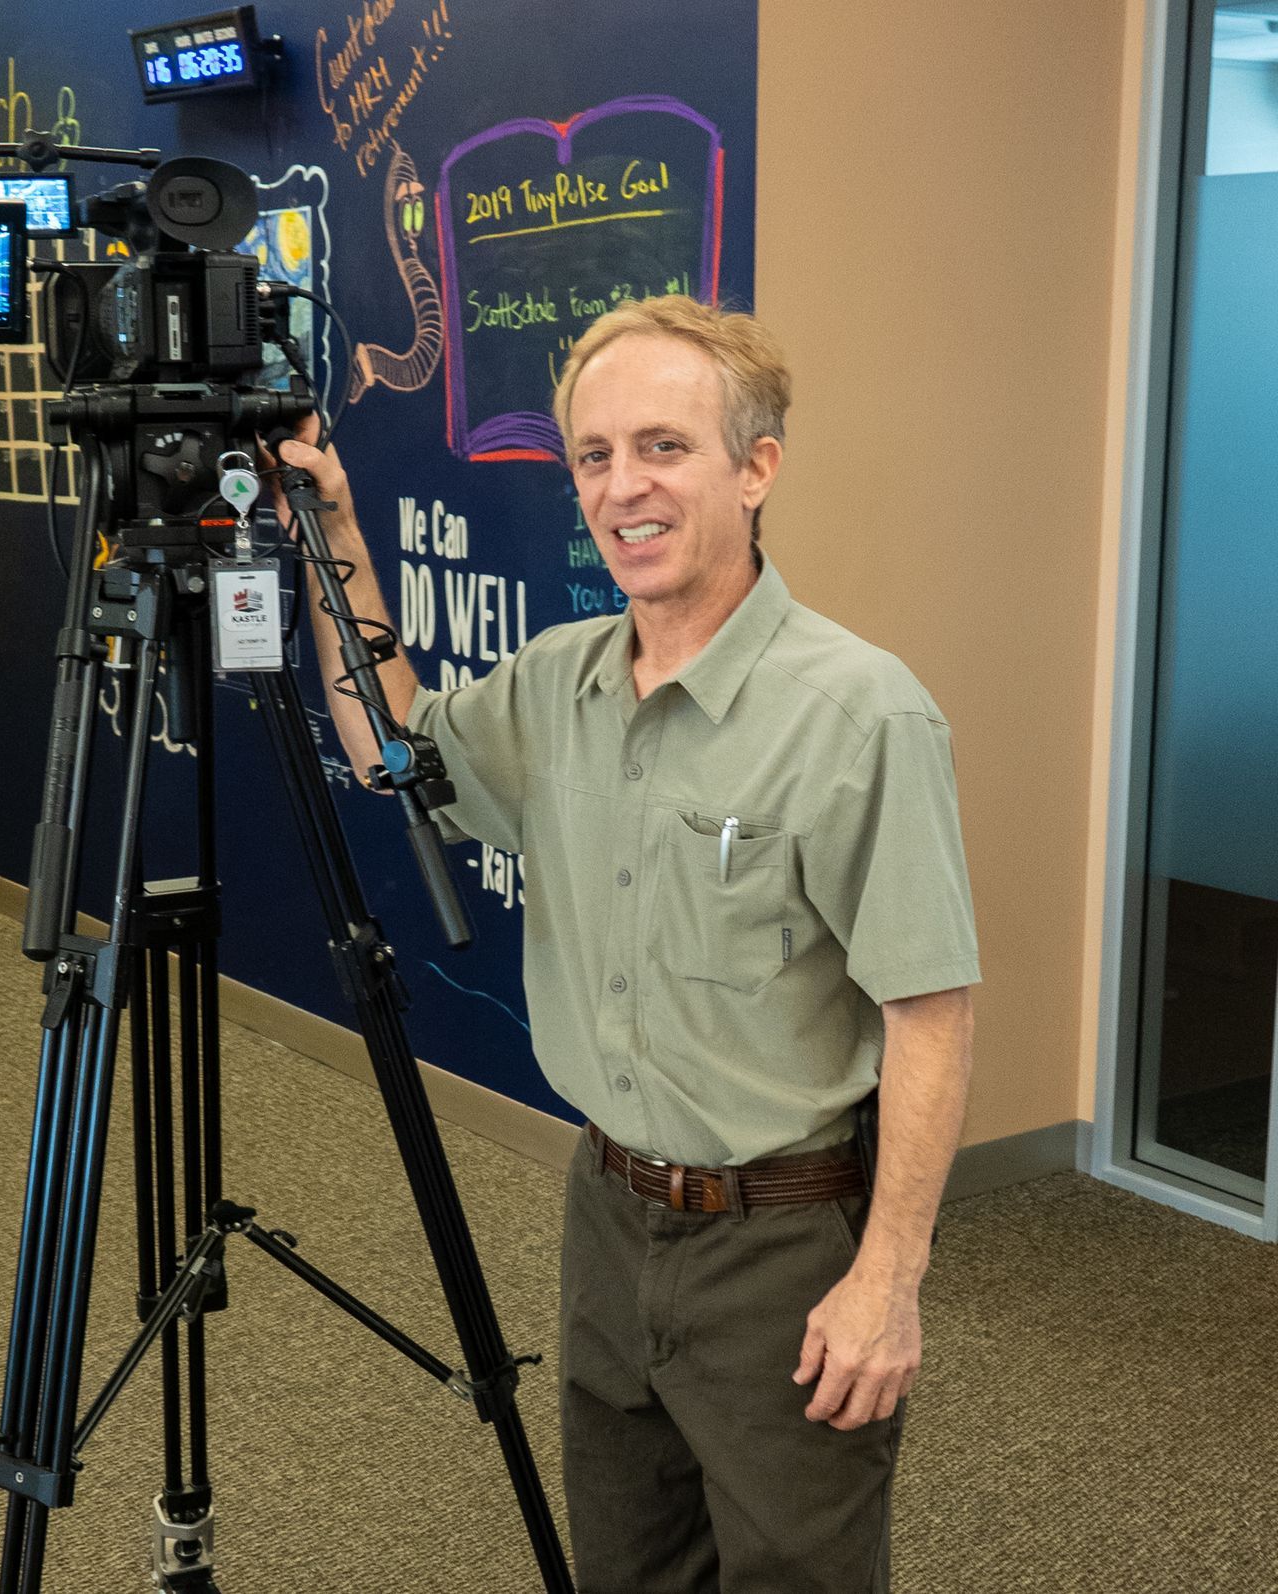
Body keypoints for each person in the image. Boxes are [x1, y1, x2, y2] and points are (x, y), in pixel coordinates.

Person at [269, 295, 980, 1593]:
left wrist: (890, 1275)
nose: (622, 486)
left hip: (783, 1248)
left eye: (663, 446)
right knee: (628, 1571)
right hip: (607, 1217)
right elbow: (392, 743)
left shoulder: (861, 713)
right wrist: (337, 532)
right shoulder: (561, 684)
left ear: (758, 467)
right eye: (595, 455)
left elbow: (932, 1010)